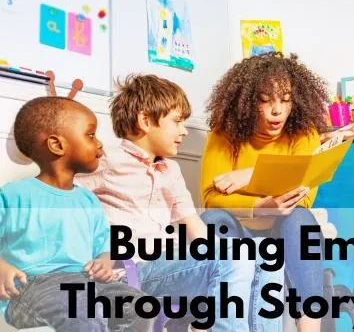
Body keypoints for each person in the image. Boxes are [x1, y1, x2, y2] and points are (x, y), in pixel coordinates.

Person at [75, 74, 281, 331]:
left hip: (171, 261)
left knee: (266, 253)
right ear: (145, 121)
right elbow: (65, 200)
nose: (184, 130)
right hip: (134, 270)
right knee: (235, 256)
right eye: (177, 122)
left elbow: (196, 231)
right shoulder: (107, 161)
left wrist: (238, 253)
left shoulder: (170, 170)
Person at [200, 52, 329, 331]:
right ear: (246, 101)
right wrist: (260, 206)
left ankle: (310, 328)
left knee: (302, 220)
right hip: (239, 224)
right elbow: (212, 199)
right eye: (265, 100)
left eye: (285, 100)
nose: (277, 111)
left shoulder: (304, 132)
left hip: (283, 226)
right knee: (213, 222)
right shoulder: (224, 132)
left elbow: (303, 192)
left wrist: (247, 176)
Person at [1, 96, 151, 331]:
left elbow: (104, 244)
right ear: (57, 145)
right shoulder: (13, 196)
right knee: (81, 309)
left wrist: (104, 261)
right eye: (91, 135)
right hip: (28, 288)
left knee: (140, 305)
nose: (100, 144)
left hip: (85, 282)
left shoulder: (87, 199)